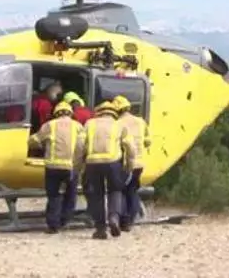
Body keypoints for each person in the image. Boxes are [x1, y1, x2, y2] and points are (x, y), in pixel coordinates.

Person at [78, 100, 136, 239]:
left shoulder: (89, 124)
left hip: (92, 163)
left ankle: (100, 229)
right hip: (113, 161)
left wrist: (78, 166)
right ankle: (114, 219)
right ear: (113, 112)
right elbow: (130, 147)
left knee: (96, 194)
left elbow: (79, 145)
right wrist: (129, 165)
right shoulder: (119, 125)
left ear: (99, 112)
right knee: (115, 190)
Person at [27, 100, 85, 233]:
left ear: (56, 113)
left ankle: (53, 225)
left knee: (54, 196)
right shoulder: (77, 126)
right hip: (71, 167)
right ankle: (65, 220)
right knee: (71, 195)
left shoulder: (49, 125)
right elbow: (82, 145)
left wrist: (39, 145)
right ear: (70, 113)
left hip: (53, 167)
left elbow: (33, 141)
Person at [113, 95, 151, 231]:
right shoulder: (141, 121)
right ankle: (131, 218)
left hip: (125, 163)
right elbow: (148, 141)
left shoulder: (118, 124)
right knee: (133, 191)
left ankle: (125, 220)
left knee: (122, 191)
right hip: (139, 164)